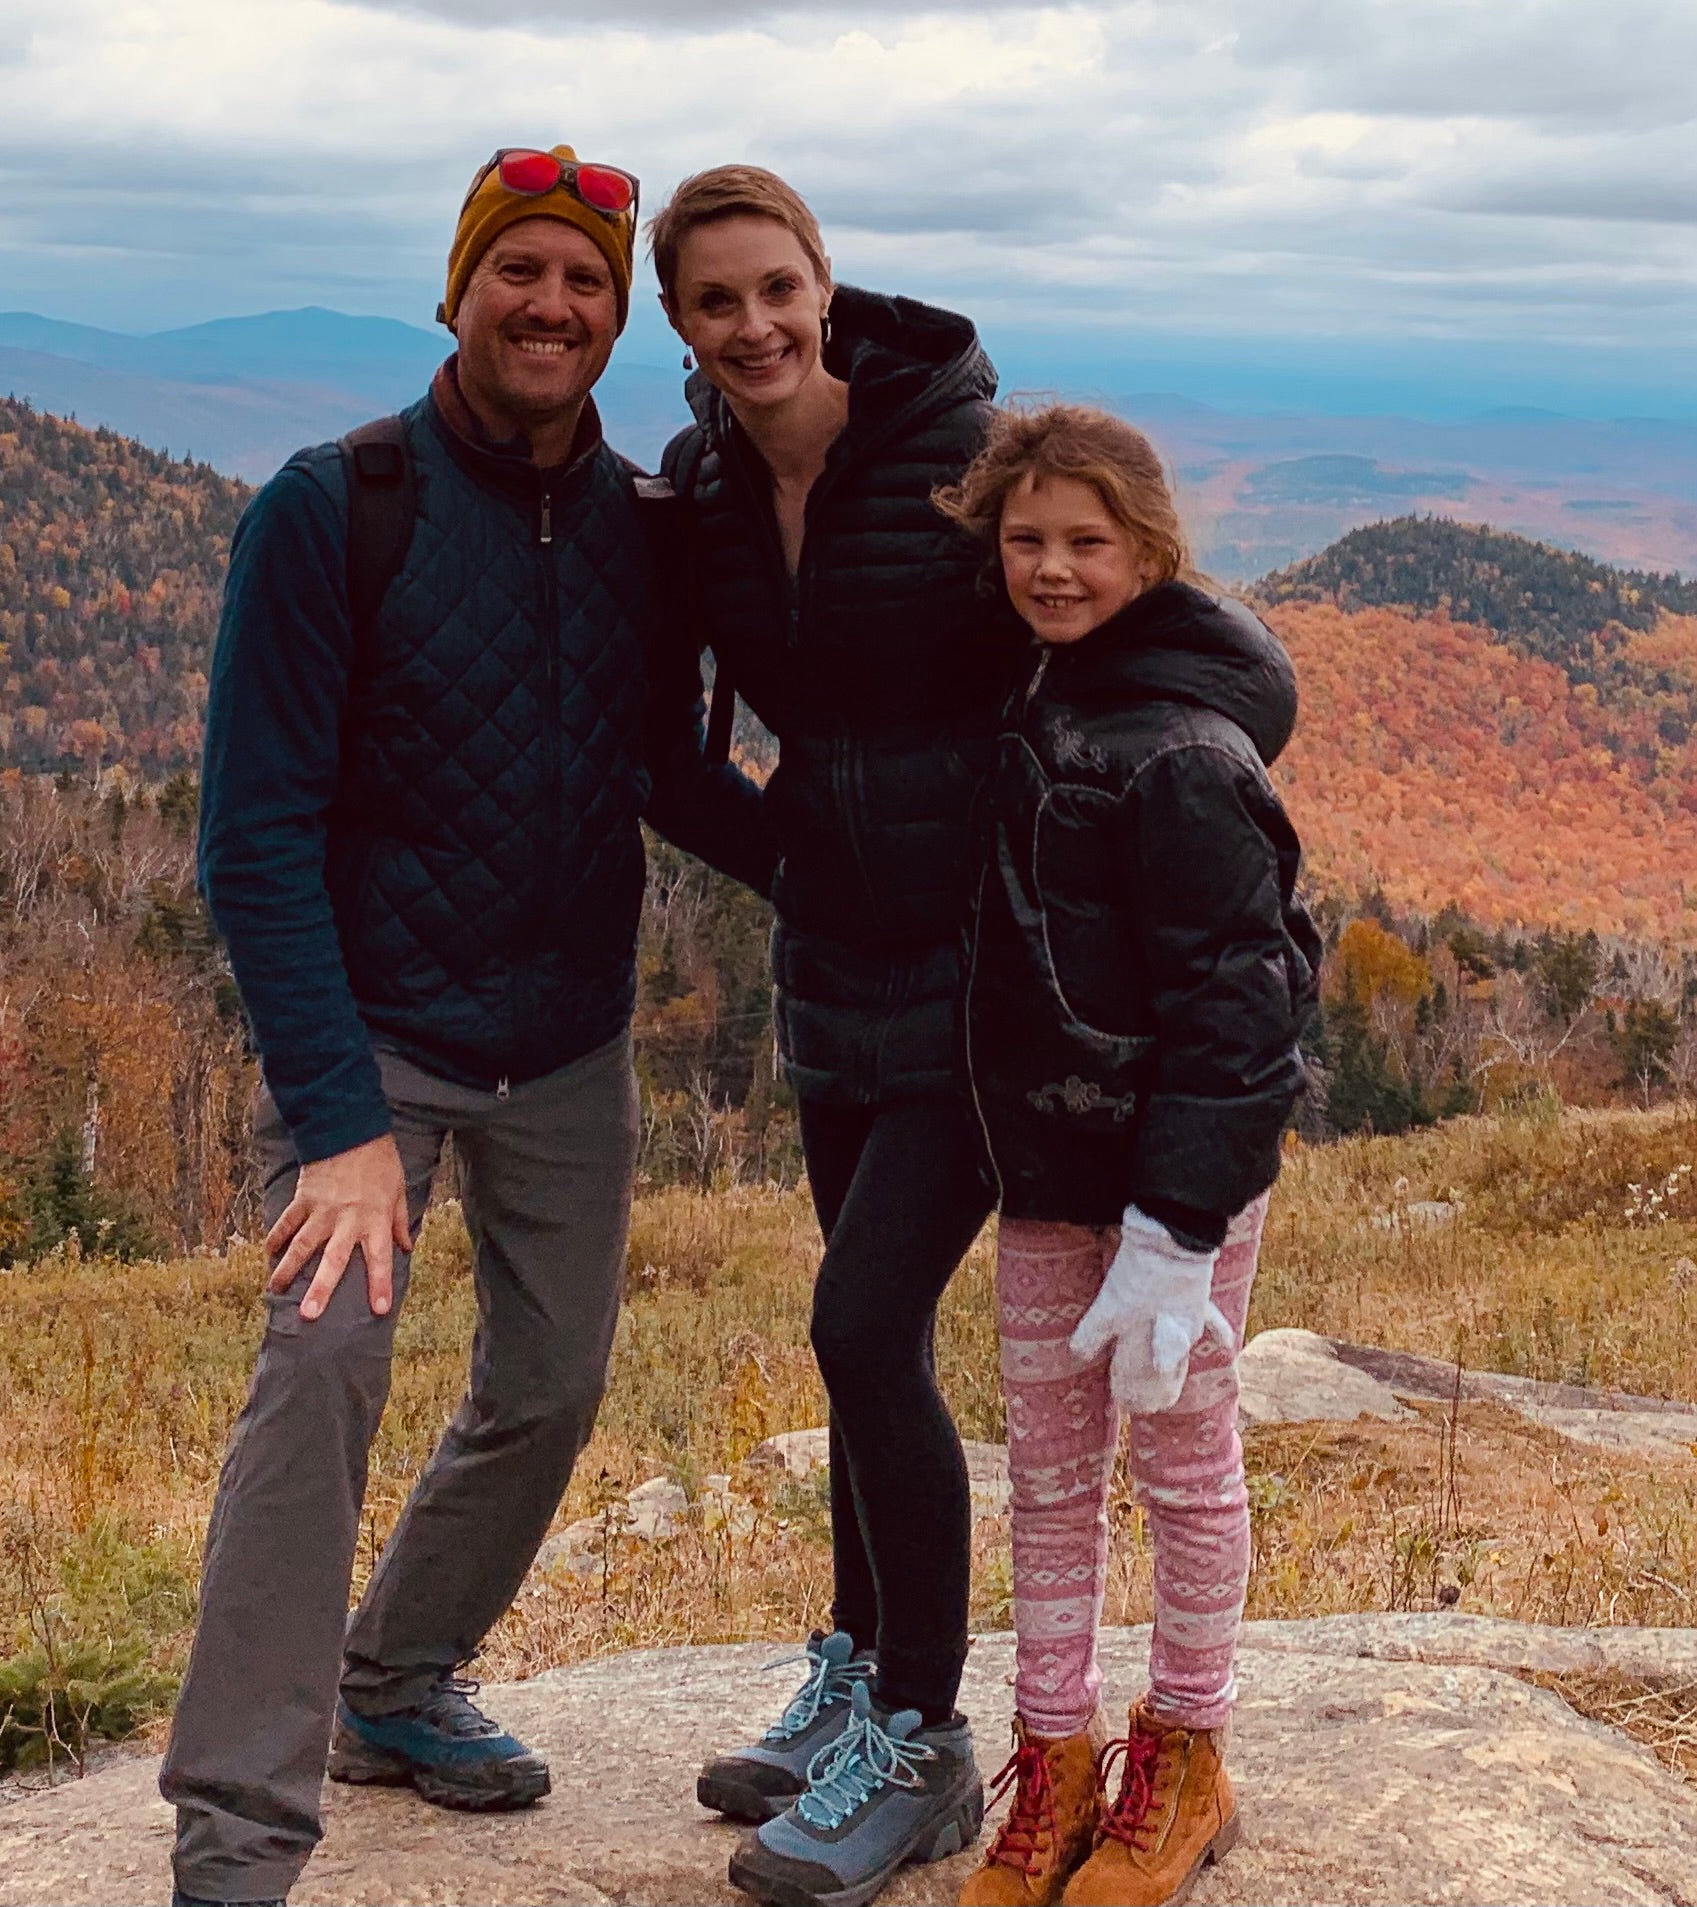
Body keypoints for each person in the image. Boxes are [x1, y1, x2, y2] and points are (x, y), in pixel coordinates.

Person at [161, 145, 772, 1907]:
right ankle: (237, 1831)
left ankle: (394, 1682)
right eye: (521, 272)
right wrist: (338, 1119)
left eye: (584, 284)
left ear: (614, 321)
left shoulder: (644, 530)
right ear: (459, 291)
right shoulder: (332, 502)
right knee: (324, 1374)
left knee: (553, 1382)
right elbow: (252, 835)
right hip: (378, 1047)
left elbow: (667, 769)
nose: (552, 307)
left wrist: (859, 874)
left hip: (564, 1042)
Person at [646, 166, 1034, 1907]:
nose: (754, 326)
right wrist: (796, 858)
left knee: (863, 1320)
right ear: (680, 324)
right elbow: (666, 755)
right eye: (715, 302)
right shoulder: (709, 491)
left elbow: (1136, 628)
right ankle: (860, 1674)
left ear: (826, 284)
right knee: (854, 1346)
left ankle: (926, 1750)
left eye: (776, 288)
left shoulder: (965, 454)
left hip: (982, 968)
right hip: (834, 967)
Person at [938, 405, 1319, 1907]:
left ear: (1150, 550)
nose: (1050, 566)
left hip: (1175, 1192)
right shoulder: (1031, 700)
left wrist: (1177, 1221)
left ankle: (1187, 1749)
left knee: (1180, 1459)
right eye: (1024, 539)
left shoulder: (1186, 752)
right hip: (1043, 1172)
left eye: (1085, 542)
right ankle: (1050, 1754)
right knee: (1042, 1466)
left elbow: (1244, 1007)